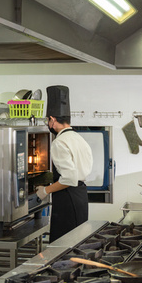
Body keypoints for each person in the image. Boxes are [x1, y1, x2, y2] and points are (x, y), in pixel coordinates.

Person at [36, 85, 93, 243]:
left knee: (62, 247)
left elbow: (68, 179)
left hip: (67, 201)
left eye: (47, 120)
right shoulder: (79, 138)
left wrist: (45, 191)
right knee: (77, 244)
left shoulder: (59, 142)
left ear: (52, 120)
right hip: (80, 197)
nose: (48, 124)